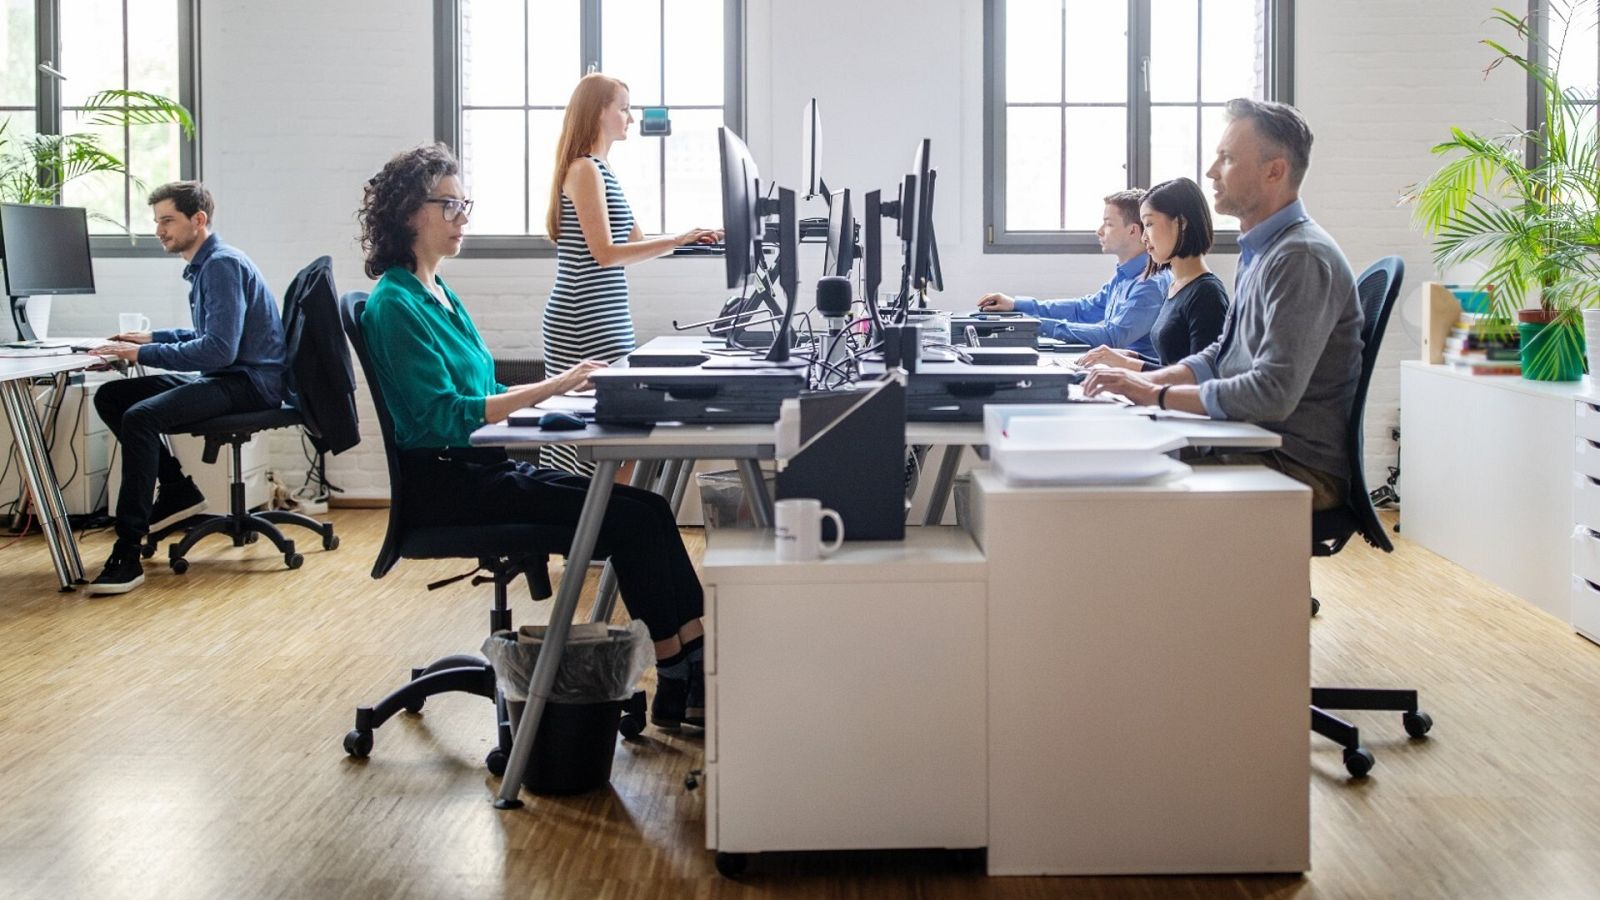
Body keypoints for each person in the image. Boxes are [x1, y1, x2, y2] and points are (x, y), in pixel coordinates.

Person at [360, 144, 706, 730]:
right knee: (634, 520)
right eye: (450, 205)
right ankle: (679, 680)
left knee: (648, 507)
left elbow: (487, 384)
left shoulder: (438, 292)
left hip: (484, 472)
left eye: (463, 203)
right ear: (408, 214)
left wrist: (571, 394)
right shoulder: (394, 305)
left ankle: (695, 665)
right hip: (450, 487)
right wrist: (554, 386)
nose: (462, 216)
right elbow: (450, 416)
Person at [1083, 99, 1362, 512]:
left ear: (1275, 170)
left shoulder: (1300, 257)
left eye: (1227, 158)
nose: (1212, 172)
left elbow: (1271, 393)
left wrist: (1155, 396)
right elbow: (1221, 355)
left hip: (1295, 463)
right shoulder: (1262, 250)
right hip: (1254, 439)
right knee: (1106, 456)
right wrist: (1149, 384)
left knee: (1116, 484)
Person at [87, 181, 288, 595]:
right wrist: (149, 339)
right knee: (113, 396)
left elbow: (217, 350)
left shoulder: (220, 265)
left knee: (141, 418)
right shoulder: (208, 263)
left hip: (247, 383)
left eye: (168, 220)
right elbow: (211, 335)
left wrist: (142, 355)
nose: (160, 230)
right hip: (232, 375)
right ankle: (178, 490)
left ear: (198, 220)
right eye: (157, 221)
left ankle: (126, 552)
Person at [541, 72, 719, 474]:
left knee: (618, 431)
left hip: (607, 315)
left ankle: (609, 525)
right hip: (584, 317)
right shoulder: (584, 170)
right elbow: (606, 254)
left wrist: (692, 239)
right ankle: (588, 525)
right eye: (623, 108)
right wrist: (677, 239)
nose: (631, 118)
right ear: (598, 112)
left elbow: (635, 242)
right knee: (600, 432)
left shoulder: (603, 170)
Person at [977, 190, 1169, 356]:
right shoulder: (1124, 276)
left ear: (1133, 231)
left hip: (1134, 379)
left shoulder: (1149, 284)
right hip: (1114, 368)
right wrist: (1016, 305)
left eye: (1108, 224)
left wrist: (1037, 325)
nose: (1099, 231)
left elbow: (1112, 337)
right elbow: (1084, 310)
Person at [1077, 177, 1228, 371]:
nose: (1143, 237)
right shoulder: (1176, 286)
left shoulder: (1207, 294)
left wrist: (1129, 364)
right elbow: (1174, 365)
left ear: (1181, 223)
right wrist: (1131, 358)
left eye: (1148, 224)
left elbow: (1201, 379)